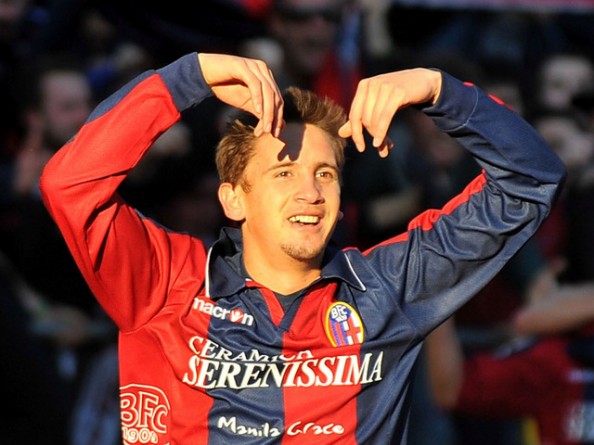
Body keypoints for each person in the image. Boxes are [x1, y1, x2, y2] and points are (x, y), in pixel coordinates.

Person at [39, 51, 564, 444]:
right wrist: (188, 77)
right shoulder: (165, 281)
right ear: (233, 198)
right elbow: (69, 185)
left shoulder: (388, 287)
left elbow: (530, 181)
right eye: (284, 172)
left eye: (325, 173)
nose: (310, 192)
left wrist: (438, 90)